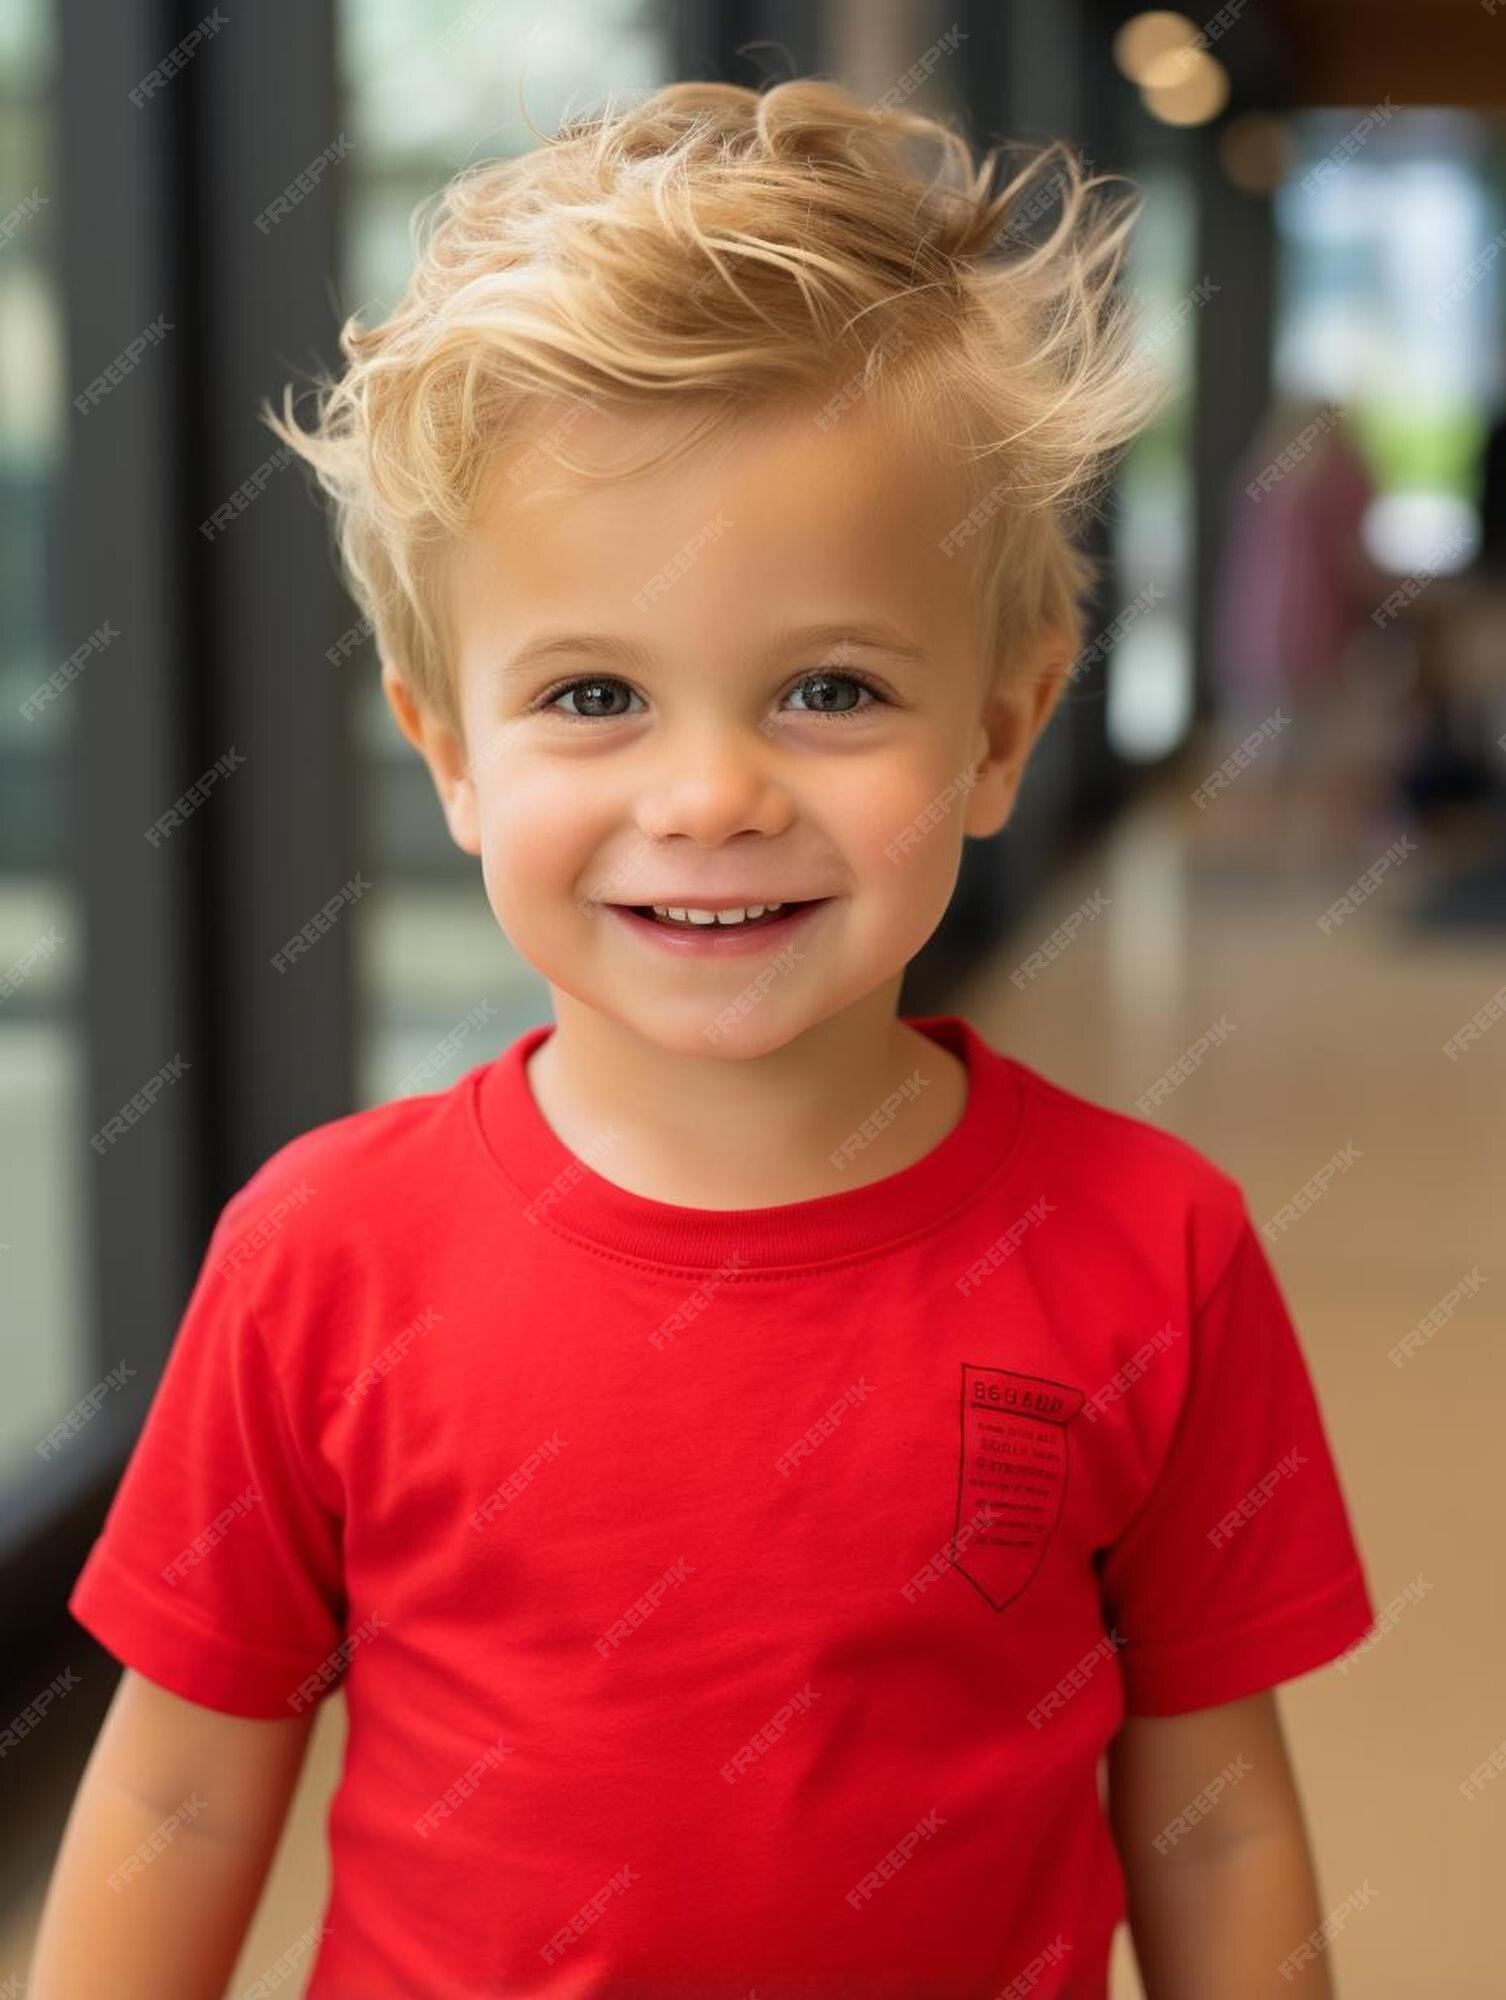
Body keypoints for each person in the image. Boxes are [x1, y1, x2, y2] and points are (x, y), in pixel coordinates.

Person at [33, 80, 1377, 1999]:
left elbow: (1215, 1809)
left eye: (829, 688)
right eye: (592, 694)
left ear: (1000, 732)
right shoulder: (319, 1258)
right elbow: (174, 1798)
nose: (711, 794)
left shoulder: (1153, 1250)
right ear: (447, 754)